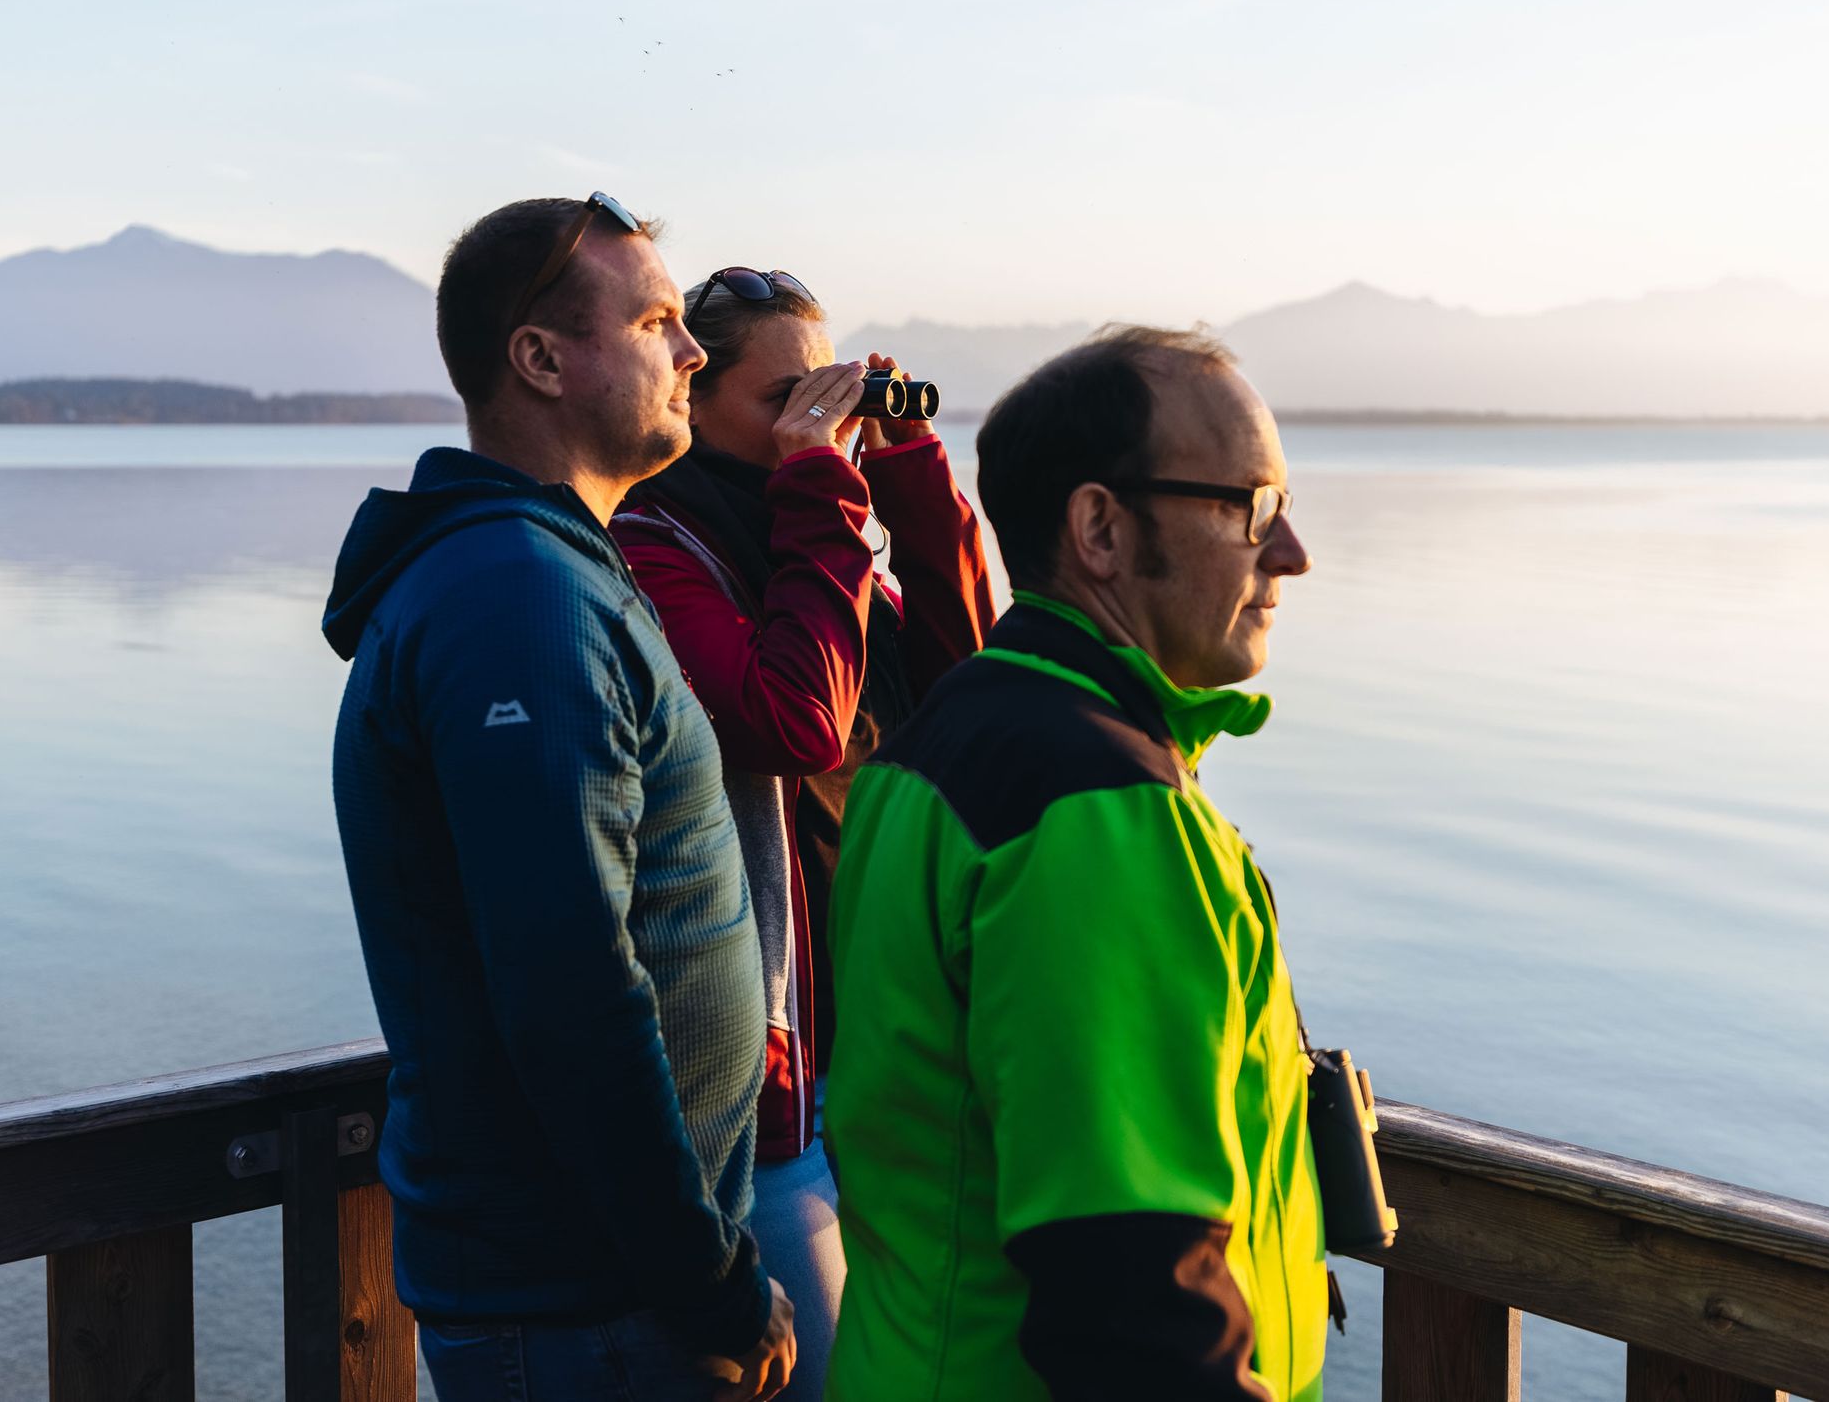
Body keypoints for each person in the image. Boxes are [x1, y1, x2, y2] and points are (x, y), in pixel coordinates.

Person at [322, 194, 797, 1402]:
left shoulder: (547, 569)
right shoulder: (517, 600)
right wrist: (708, 1281)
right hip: (591, 1313)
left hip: (606, 1293)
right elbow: (568, 981)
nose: (691, 353)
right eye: (653, 323)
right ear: (539, 359)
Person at [824, 324, 1325, 1402]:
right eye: (1251, 509)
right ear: (1099, 527)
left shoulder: (940, 743)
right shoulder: (1094, 808)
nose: (1290, 554)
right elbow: (1133, 1300)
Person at [611, 267, 996, 1401]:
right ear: (693, 398)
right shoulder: (654, 545)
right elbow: (794, 723)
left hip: (885, 1054)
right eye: (784, 397)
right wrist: (820, 479)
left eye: (826, 391)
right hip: (767, 1091)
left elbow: (969, 682)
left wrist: (907, 464)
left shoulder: (825, 538)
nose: (814, 418)